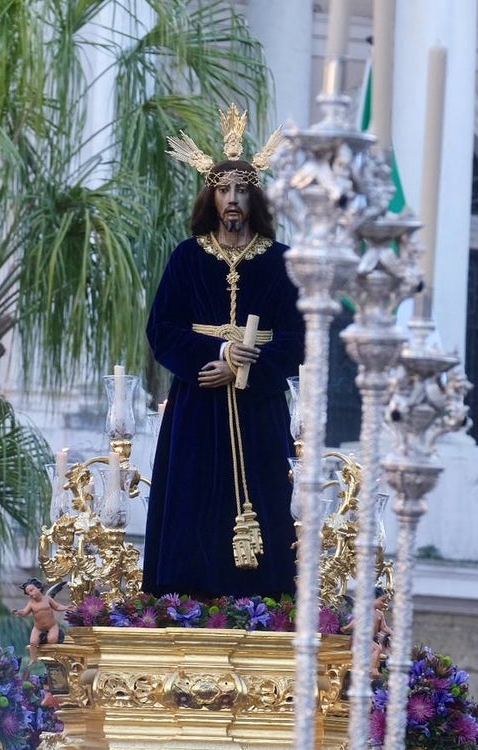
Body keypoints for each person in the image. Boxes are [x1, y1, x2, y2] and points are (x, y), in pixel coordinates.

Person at [143, 105, 303, 599]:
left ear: (255, 198)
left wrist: (250, 369)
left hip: (259, 407)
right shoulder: (188, 256)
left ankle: (261, 601)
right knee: (193, 494)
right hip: (198, 400)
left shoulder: (280, 262)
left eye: (242, 190)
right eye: (224, 190)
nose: (233, 200)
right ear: (211, 197)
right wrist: (208, 361)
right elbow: (162, 328)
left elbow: (300, 338)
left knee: (264, 492)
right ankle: (186, 599)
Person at [11, 578, 70, 663]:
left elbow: (57, 607)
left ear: (39, 588)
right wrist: (18, 612)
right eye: (28, 593)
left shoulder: (47, 599)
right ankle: (33, 659)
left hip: (52, 625)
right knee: (33, 643)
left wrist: (66, 607)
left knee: (52, 640)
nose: (30, 594)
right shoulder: (31, 603)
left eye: (31, 590)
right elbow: (25, 612)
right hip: (38, 627)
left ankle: (53, 657)